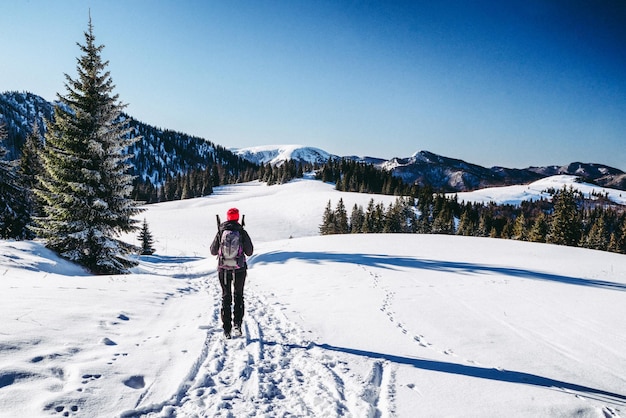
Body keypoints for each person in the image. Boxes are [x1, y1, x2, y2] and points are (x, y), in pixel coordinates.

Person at [210, 208, 253, 339]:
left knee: (226, 297)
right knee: (238, 295)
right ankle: (237, 325)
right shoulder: (241, 231)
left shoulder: (221, 231)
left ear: (227, 218)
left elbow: (212, 251)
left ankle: (226, 329)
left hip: (223, 269)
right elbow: (249, 251)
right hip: (239, 268)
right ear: (238, 217)